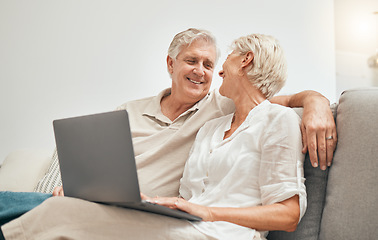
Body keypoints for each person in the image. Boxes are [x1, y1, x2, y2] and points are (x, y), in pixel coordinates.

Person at [0, 28, 335, 239]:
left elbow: (288, 215)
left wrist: (316, 102)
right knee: (61, 206)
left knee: (59, 212)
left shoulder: (263, 117)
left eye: (218, 62)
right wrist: (152, 202)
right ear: (170, 64)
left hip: (219, 231)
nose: (213, 72)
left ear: (245, 60)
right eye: (193, 61)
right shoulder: (211, 125)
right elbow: (187, 199)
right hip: (168, 218)